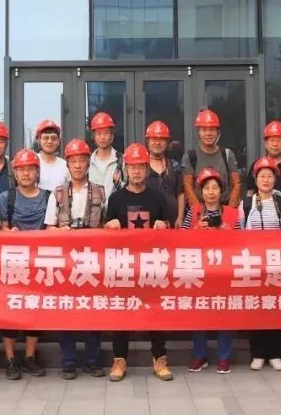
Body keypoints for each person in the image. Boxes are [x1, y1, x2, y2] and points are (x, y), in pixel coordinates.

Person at [105, 143, 172, 382]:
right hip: (123, 265)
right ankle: (119, 360)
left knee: (156, 312)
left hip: (152, 265)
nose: (136, 171)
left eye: (140, 166)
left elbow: (169, 228)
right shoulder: (116, 198)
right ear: (125, 168)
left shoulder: (158, 197)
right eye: (132, 167)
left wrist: (164, 226)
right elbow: (105, 230)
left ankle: (159, 358)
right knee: (121, 313)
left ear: (147, 169)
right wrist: (110, 226)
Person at [47, 138, 106, 379]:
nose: (78, 165)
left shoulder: (100, 191)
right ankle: (68, 361)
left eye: (82, 160)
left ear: (88, 164)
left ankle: (93, 360)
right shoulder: (58, 193)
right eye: (73, 161)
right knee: (66, 311)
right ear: (68, 165)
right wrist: (61, 231)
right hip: (65, 261)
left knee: (93, 311)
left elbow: (107, 224)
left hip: (92, 259)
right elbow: (49, 227)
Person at [0, 148, 49, 380]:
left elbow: (52, 227)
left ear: (37, 172)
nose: (26, 174)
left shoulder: (49, 197)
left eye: (30, 169)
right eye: (21, 170)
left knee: (34, 310)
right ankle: (10, 359)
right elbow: (1, 228)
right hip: (13, 263)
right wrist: (9, 233)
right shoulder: (5, 198)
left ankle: (29, 357)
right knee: (9, 310)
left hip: (40, 263)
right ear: (15, 173)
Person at [241, 156, 281, 372]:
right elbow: (240, 233)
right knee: (256, 308)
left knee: (276, 308)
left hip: (277, 263)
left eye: (270, 176)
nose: (266, 180)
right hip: (254, 264)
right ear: (255, 180)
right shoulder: (246, 204)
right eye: (262, 176)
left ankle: (276, 354)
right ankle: (257, 354)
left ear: (275, 179)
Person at [183, 168, 239, 374]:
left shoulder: (232, 213)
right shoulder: (194, 212)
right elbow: (181, 240)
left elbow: (243, 242)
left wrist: (226, 231)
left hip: (225, 271)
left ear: (221, 191)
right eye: (207, 188)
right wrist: (197, 229)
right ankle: (200, 355)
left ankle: (224, 356)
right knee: (199, 313)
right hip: (200, 270)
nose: (211, 192)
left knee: (226, 312)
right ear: (201, 191)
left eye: (215, 188)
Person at [182, 108, 241, 209]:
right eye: (204, 130)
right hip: (199, 209)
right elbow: (188, 188)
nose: (208, 133)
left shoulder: (227, 155)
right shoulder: (190, 157)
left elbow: (236, 184)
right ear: (198, 133)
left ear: (218, 132)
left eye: (212, 129)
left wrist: (229, 213)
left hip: (225, 207)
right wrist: (199, 213)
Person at [245, 120, 281, 208]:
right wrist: (248, 211)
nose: (275, 144)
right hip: (261, 214)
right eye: (272, 140)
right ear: (265, 143)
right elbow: (250, 192)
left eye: (279, 141)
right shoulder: (256, 165)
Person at [144, 121, 185, 227]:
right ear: (148, 141)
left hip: (173, 223)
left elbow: (180, 193)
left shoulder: (174, 165)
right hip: (147, 225)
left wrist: (180, 218)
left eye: (161, 139)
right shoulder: (141, 165)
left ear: (167, 142)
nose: (157, 143)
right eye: (154, 139)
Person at [88, 112, 123, 199]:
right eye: (99, 133)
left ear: (112, 135)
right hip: (92, 208)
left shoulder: (122, 161)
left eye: (106, 133)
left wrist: (119, 184)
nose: (102, 137)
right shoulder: (88, 162)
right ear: (94, 136)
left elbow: (131, 188)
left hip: (116, 207)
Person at [34, 119, 69, 192]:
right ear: (39, 140)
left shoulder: (65, 165)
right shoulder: (32, 163)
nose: (50, 141)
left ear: (58, 141)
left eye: (53, 138)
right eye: (45, 138)